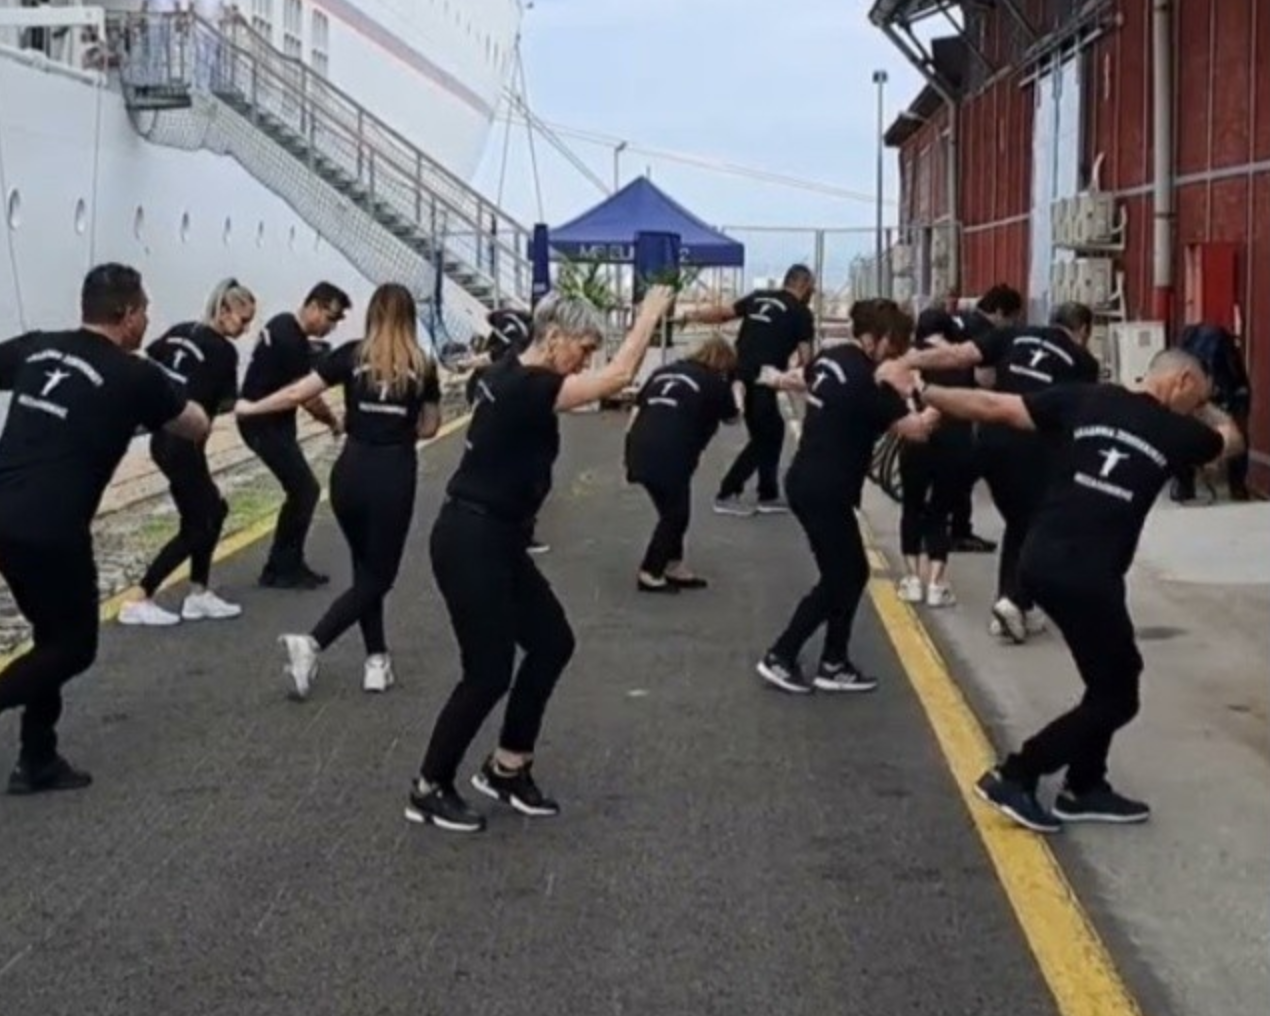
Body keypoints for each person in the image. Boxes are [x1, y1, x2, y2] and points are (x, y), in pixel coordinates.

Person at [885, 348, 1244, 831]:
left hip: (1040, 559)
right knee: (1119, 697)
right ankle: (1018, 774)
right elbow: (1233, 442)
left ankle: (1086, 785)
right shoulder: (1178, 432)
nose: (1195, 407)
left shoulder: (1087, 399)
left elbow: (992, 406)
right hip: (1086, 574)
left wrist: (922, 389)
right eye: (1195, 396)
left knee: (1109, 679)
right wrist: (1210, 409)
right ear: (1181, 381)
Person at [407, 285, 676, 834]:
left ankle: (507, 767)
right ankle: (429, 787)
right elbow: (620, 377)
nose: (586, 360)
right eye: (583, 348)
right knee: (487, 672)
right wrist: (649, 314)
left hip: (499, 538)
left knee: (553, 642)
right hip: (470, 538)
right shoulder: (526, 384)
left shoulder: (512, 368)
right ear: (553, 338)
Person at [0, 263, 209, 794]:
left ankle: (38, 758)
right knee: (74, 647)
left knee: (50, 636)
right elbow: (196, 424)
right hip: (52, 529)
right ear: (129, 314)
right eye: (146, 309)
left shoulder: (37, 348)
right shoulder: (136, 375)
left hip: (6, 513)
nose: (149, 318)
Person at [236, 284, 442, 698]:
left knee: (366, 570)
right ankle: (313, 642)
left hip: (350, 472)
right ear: (408, 319)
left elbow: (298, 392)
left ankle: (376, 661)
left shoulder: (350, 354)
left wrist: (251, 407)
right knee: (380, 577)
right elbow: (430, 427)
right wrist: (399, 421)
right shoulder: (423, 365)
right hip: (392, 473)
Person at [755, 299, 938, 695]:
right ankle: (781, 654)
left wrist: (776, 379)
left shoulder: (832, 358)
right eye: (893, 344)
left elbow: (803, 378)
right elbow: (917, 430)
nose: (895, 353)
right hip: (827, 489)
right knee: (841, 577)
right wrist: (930, 396)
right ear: (873, 339)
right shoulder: (871, 383)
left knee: (851, 573)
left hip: (808, 480)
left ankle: (834, 661)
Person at [901, 301, 1101, 644]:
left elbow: (960, 357)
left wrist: (906, 362)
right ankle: (1013, 600)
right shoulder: (1083, 361)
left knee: (1019, 522)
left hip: (990, 439)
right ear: (1082, 331)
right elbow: (1080, 413)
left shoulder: (1012, 334)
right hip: (1034, 446)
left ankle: (1017, 604)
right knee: (1039, 525)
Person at [119, 278, 256, 627]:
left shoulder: (179, 331)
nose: (245, 329)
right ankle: (140, 596)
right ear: (223, 311)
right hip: (183, 443)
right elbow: (220, 406)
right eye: (243, 320)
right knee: (202, 519)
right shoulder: (224, 352)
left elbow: (146, 362)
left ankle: (198, 592)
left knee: (208, 512)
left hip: (162, 438)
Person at [677, 264, 816, 516]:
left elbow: (723, 314)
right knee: (766, 436)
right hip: (762, 378)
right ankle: (728, 492)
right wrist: (806, 382)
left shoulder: (759, 297)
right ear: (804, 285)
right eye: (812, 288)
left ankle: (768, 493)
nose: (812, 293)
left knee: (771, 431)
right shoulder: (801, 313)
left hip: (739, 372)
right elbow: (807, 359)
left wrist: (692, 316)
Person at [238, 282, 350, 590]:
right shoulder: (292, 341)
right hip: (262, 424)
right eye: (330, 317)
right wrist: (333, 422)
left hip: (266, 424)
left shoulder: (281, 323)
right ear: (313, 306)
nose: (331, 327)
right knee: (305, 490)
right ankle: (283, 567)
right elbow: (308, 397)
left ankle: (282, 564)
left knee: (300, 490)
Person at [625, 335, 741, 592]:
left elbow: (636, 410)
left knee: (672, 507)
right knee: (676, 515)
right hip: (672, 451)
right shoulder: (714, 381)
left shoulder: (662, 372)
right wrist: (736, 390)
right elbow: (733, 418)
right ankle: (651, 571)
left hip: (640, 445)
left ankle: (673, 564)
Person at [895, 308, 973, 608]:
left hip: (917, 437)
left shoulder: (910, 357)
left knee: (912, 506)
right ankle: (936, 584)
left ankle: (913, 579)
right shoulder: (960, 359)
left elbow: (898, 396)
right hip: (955, 442)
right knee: (940, 511)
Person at [464, 307, 549, 554]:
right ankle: (513, 533)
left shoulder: (510, 324)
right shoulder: (519, 329)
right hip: (501, 397)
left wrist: (469, 362)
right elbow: (501, 354)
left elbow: (499, 353)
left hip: (489, 392)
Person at [947, 284, 1025, 552]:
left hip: (946, 400)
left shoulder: (962, 322)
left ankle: (942, 527)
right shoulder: (987, 333)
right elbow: (985, 378)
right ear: (1000, 312)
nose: (1012, 325)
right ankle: (959, 531)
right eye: (1012, 318)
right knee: (967, 470)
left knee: (954, 471)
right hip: (968, 406)